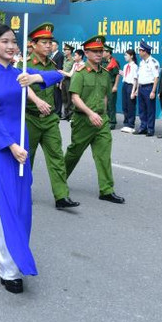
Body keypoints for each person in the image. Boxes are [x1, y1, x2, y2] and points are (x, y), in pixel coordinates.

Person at [0, 24, 64, 294]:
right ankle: (10, 270)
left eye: (14, 41)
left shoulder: (20, 74)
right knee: (6, 204)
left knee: (21, 203)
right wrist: (11, 145)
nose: (11, 46)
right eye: (4, 41)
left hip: (22, 139)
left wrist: (34, 80)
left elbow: (58, 74)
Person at [19, 23, 79, 211]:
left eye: (50, 42)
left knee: (56, 157)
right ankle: (23, 194)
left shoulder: (53, 64)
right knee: (27, 158)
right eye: (43, 42)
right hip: (30, 118)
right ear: (33, 44)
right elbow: (24, 86)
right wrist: (37, 101)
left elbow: (58, 78)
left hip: (50, 119)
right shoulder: (24, 65)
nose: (48, 45)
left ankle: (61, 196)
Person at [64, 36, 126, 204]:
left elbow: (105, 96)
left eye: (101, 51)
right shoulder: (80, 73)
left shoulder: (105, 74)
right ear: (86, 53)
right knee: (74, 152)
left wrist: (102, 114)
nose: (99, 54)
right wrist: (90, 113)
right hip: (83, 119)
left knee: (104, 155)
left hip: (101, 120)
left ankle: (106, 190)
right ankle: (60, 179)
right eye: (95, 51)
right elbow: (75, 98)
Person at [135, 41, 160, 136]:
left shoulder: (153, 62)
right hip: (141, 87)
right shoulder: (141, 62)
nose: (139, 52)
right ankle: (143, 127)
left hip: (149, 88)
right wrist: (137, 89)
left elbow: (156, 77)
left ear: (145, 51)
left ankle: (150, 129)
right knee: (142, 109)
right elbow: (139, 77)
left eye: (140, 50)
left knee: (150, 109)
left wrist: (153, 91)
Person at [119, 49, 138, 133]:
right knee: (125, 105)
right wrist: (122, 73)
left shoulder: (135, 66)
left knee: (131, 106)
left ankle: (131, 125)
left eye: (126, 55)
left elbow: (135, 80)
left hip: (131, 86)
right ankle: (126, 123)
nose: (125, 57)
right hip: (125, 85)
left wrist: (133, 91)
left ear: (131, 56)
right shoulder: (126, 66)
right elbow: (127, 76)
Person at [103, 45, 121, 130]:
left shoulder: (114, 62)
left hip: (111, 85)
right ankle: (106, 120)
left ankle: (112, 122)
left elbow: (117, 75)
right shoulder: (102, 61)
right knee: (104, 104)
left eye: (104, 51)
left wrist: (115, 86)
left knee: (111, 104)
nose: (102, 53)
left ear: (108, 53)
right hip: (104, 85)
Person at [61, 44, 75, 120]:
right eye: (64, 50)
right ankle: (66, 114)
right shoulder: (65, 59)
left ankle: (71, 114)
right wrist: (60, 82)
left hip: (69, 80)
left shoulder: (73, 60)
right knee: (64, 98)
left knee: (70, 98)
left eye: (66, 50)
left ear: (70, 51)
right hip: (63, 80)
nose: (65, 51)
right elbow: (63, 70)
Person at [50, 40, 64, 116]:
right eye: (51, 45)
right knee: (54, 96)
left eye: (53, 45)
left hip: (57, 79)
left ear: (57, 46)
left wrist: (58, 81)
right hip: (52, 78)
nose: (51, 47)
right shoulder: (52, 55)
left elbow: (59, 68)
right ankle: (55, 110)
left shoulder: (60, 55)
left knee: (58, 96)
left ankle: (58, 112)